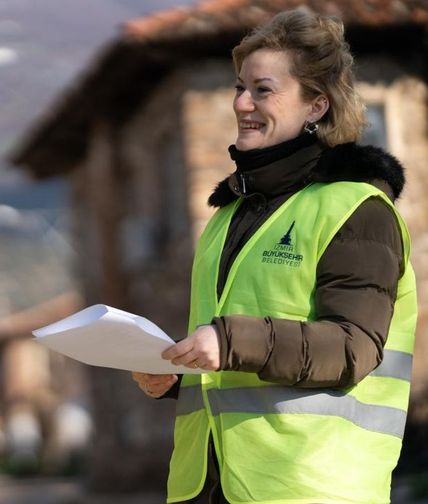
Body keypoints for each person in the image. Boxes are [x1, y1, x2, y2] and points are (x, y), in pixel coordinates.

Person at [132, 10, 416, 504]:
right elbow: (238, 359)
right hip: (212, 487)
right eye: (240, 88)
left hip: (311, 487)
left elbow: (353, 348)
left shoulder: (356, 210)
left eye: (263, 90)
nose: (242, 103)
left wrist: (229, 340)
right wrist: (180, 373)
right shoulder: (227, 218)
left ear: (316, 105)